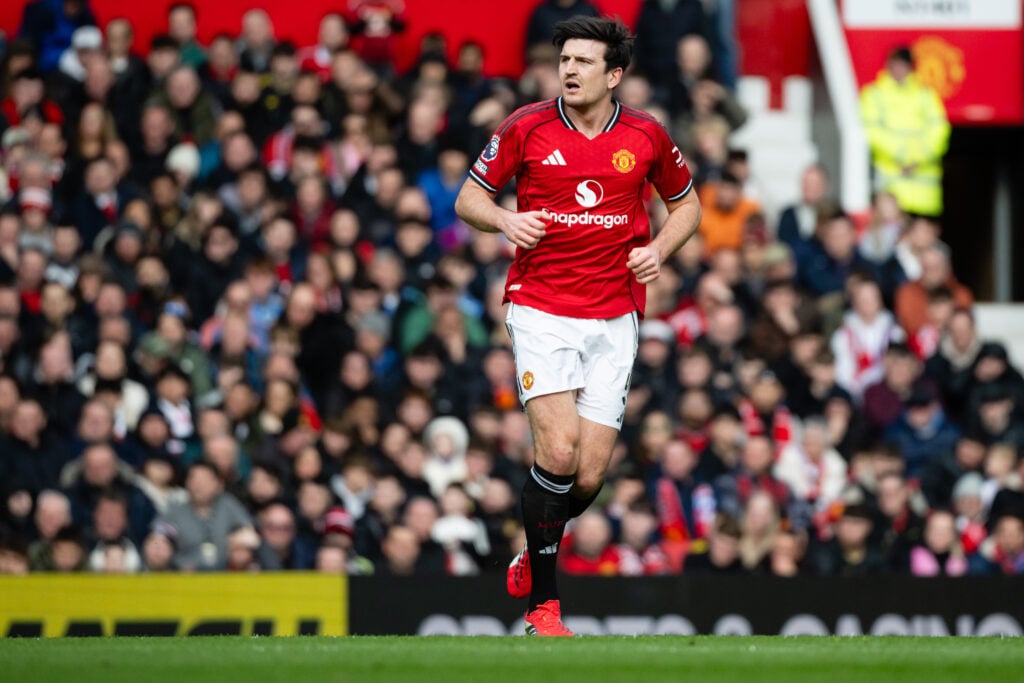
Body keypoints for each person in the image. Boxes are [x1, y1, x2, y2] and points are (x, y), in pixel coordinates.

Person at [455, 16, 700, 635]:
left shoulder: (645, 135)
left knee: (588, 474)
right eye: (565, 58)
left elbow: (688, 205)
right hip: (540, 306)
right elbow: (469, 198)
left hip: (615, 314)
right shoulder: (527, 126)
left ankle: (533, 551)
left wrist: (659, 252)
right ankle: (545, 608)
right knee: (557, 452)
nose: (569, 69)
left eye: (584, 61)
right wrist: (506, 222)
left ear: (613, 74)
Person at [859, 46, 950, 218]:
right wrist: (902, 154)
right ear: (888, 65)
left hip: (924, 197)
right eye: (896, 64)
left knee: (923, 238)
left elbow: (940, 131)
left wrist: (917, 158)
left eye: (904, 65)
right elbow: (872, 131)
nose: (899, 69)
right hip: (890, 189)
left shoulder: (926, 95)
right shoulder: (873, 94)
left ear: (910, 67)